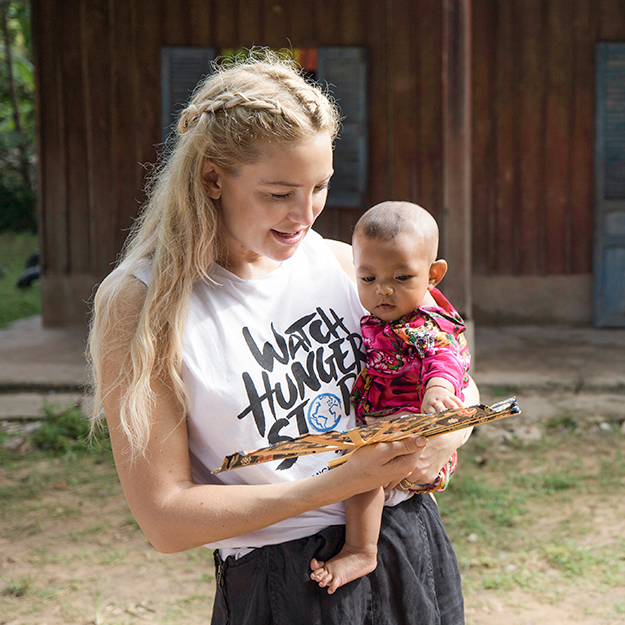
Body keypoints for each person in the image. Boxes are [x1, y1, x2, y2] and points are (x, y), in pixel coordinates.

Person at [88, 51, 476, 625]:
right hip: (286, 582)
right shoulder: (142, 304)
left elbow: (456, 381)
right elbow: (166, 520)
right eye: (278, 193)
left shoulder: (346, 265)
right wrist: (343, 482)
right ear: (212, 177)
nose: (305, 215)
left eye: (319, 187)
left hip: (408, 545)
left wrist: (435, 446)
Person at [310, 201, 471, 595]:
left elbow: (445, 356)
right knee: (363, 476)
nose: (383, 289)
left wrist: (438, 390)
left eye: (401, 277)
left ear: (433, 275)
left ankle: (361, 550)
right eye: (368, 278)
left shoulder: (424, 322)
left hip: (412, 432)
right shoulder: (379, 318)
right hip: (386, 430)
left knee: (363, 479)